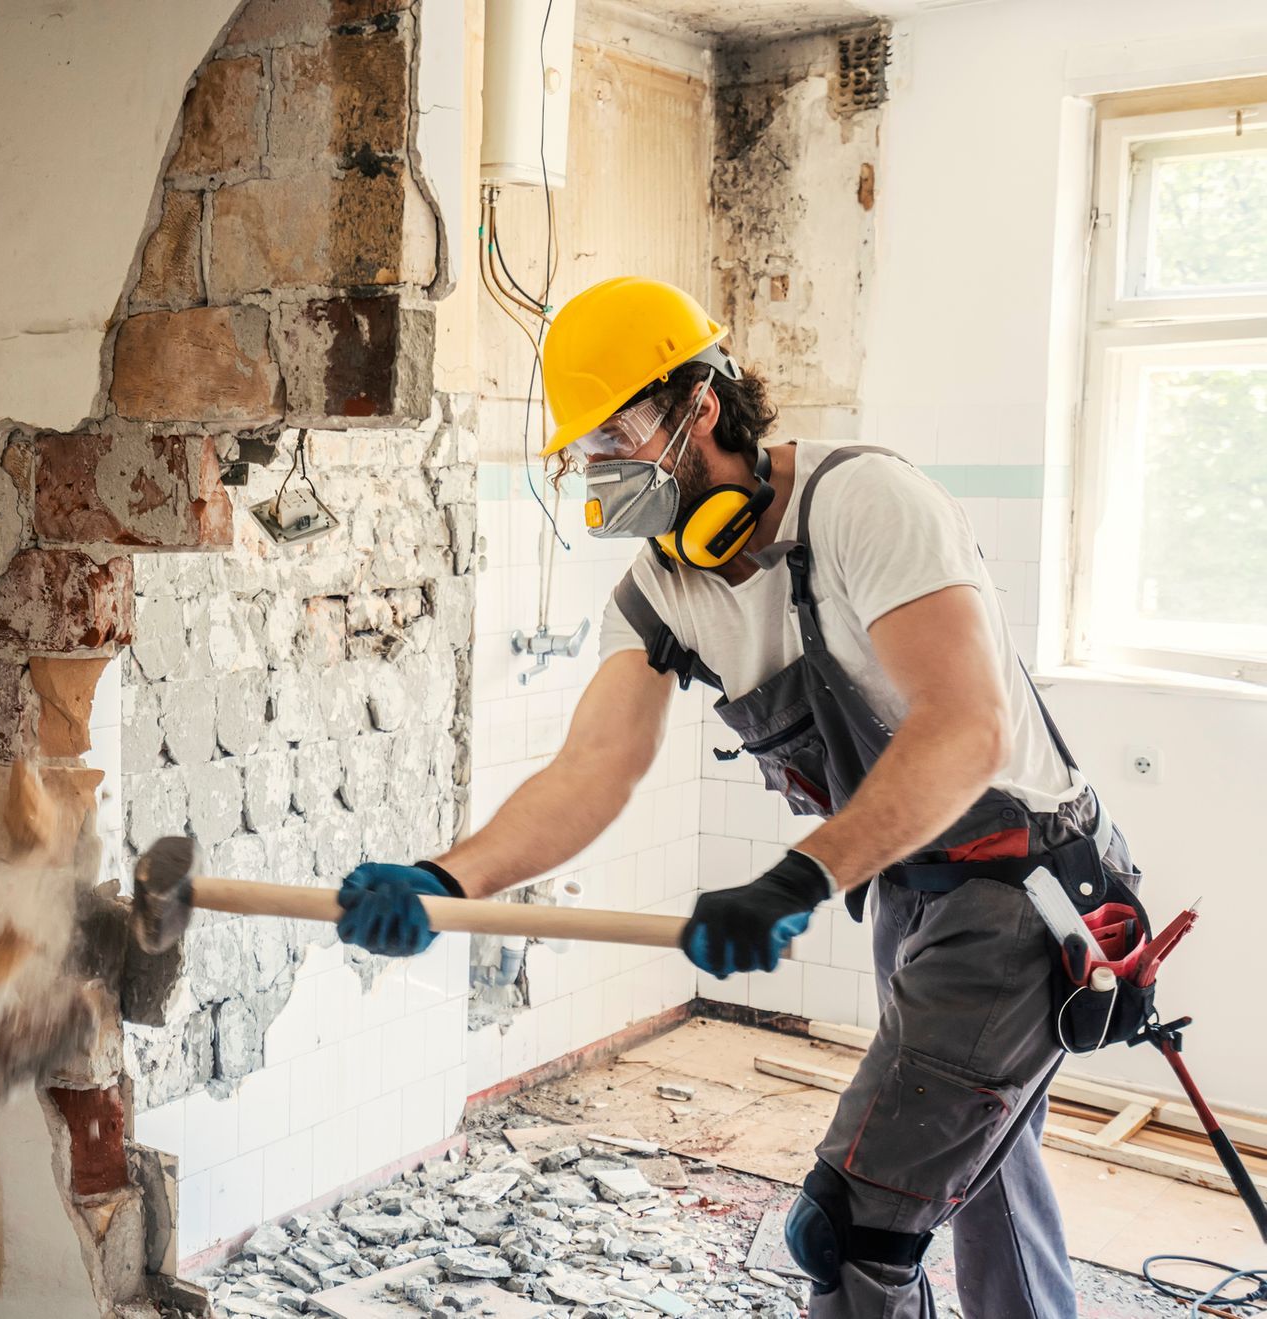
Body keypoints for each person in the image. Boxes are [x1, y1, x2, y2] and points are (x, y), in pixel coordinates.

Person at [335, 276, 1143, 1318]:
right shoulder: (664, 586)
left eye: (616, 433)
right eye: (585, 448)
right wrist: (447, 877)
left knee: (853, 1224)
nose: (599, 468)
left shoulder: (862, 503)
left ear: (698, 406)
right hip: (910, 896)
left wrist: (797, 879)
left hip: (1021, 891)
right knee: (973, 1166)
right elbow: (592, 767)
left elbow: (967, 725)